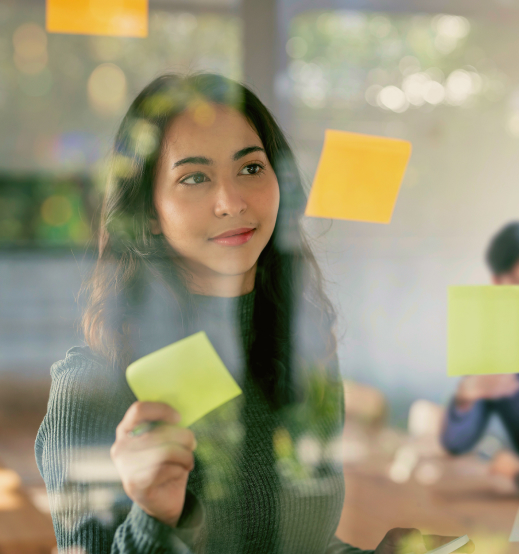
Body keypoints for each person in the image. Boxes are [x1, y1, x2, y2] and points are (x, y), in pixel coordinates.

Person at [36, 73, 473, 554]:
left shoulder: (300, 353)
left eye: (250, 169)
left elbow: (296, 541)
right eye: (194, 178)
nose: (232, 202)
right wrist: (154, 518)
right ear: (150, 215)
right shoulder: (92, 385)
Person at [442, 222, 519, 464]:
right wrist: (465, 398)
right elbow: (455, 443)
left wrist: (518, 472)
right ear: (498, 285)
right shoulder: (496, 350)